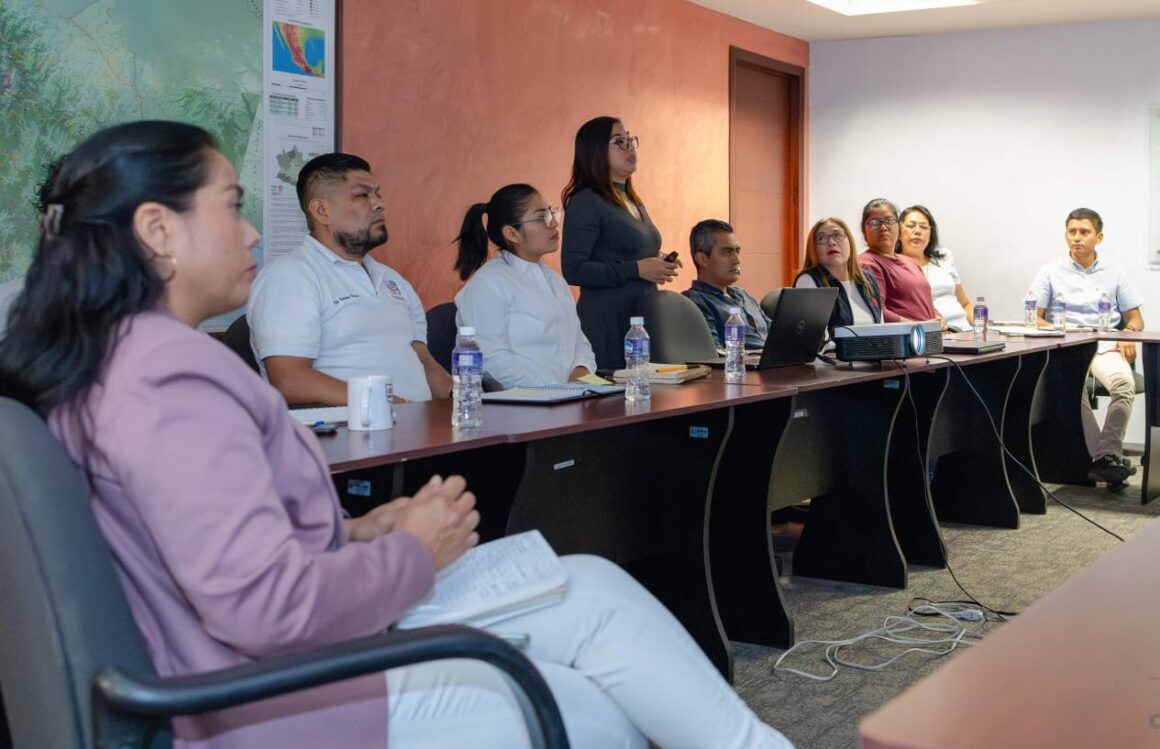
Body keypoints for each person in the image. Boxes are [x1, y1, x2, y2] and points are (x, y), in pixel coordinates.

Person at [0, 121, 792, 749]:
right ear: (157, 230)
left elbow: (203, 544)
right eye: (232, 205)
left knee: (589, 586)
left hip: (265, 662)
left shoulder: (117, 358)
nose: (248, 234)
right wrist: (412, 550)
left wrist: (362, 525)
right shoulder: (167, 379)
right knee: (589, 702)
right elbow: (264, 607)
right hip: (273, 699)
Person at [247, 153, 451, 404]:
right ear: (322, 210)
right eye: (362, 195)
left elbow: (424, 362)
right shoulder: (291, 276)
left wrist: (466, 400)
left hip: (419, 430)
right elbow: (289, 380)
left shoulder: (393, 280)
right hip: (348, 433)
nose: (378, 204)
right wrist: (385, 403)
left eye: (378, 193)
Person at [1030, 207, 1145, 485]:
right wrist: (1056, 330)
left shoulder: (1115, 272)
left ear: (1099, 237)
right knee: (1073, 390)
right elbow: (1034, 316)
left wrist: (1125, 335)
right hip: (1067, 347)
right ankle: (1103, 459)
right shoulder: (1050, 271)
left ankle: (1105, 454)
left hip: (1105, 345)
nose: (1077, 238)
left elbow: (1136, 319)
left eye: (1084, 232)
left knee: (1124, 385)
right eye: (1072, 232)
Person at [561, 116, 677, 370]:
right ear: (594, 151)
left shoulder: (632, 198)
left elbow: (621, 250)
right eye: (619, 141)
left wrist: (656, 259)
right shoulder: (586, 201)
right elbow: (573, 269)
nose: (630, 147)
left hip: (642, 318)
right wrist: (637, 268)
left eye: (631, 140)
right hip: (607, 322)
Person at [452, 184, 597, 388]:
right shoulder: (489, 284)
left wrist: (580, 374)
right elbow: (491, 358)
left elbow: (578, 342)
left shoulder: (556, 281)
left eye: (551, 212)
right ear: (512, 234)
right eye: (541, 217)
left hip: (569, 399)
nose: (553, 223)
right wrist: (549, 393)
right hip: (523, 406)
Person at [682, 219, 769, 348]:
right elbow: (713, 357)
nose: (736, 260)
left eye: (737, 252)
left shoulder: (743, 295)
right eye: (727, 252)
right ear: (702, 259)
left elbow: (777, 334)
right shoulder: (694, 302)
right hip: (740, 366)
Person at [793, 217, 883, 332]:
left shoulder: (868, 280)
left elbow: (881, 328)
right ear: (813, 249)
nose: (831, 242)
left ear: (850, 241)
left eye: (837, 235)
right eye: (821, 238)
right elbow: (815, 337)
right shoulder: (808, 280)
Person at [856, 198, 938, 324]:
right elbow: (877, 311)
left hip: (931, 335)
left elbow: (924, 303)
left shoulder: (911, 262)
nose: (883, 227)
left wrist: (938, 317)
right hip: (906, 339)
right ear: (863, 230)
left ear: (899, 227)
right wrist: (919, 326)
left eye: (889, 220)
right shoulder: (868, 263)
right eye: (874, 222)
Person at [897, 205, 973, 332]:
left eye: (924, 227)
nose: (917, 231)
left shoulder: (943, 258)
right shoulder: (892, 266)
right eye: (911, 226)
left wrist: (981, 325)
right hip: (937, 334)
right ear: (898, 232)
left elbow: (965, 304)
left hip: (966, 330)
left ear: (930, 234)